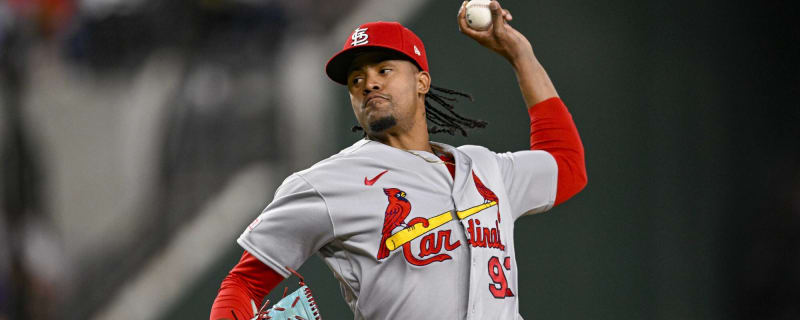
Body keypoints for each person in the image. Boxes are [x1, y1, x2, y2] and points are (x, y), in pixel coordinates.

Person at [210, 1, 586, 319]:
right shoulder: (326, 184)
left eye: (384, 70)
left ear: (422, 82)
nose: (368, 83)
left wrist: (520, 55)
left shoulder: (486, 169)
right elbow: (244, 283)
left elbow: (566, 165)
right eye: (356, 79)